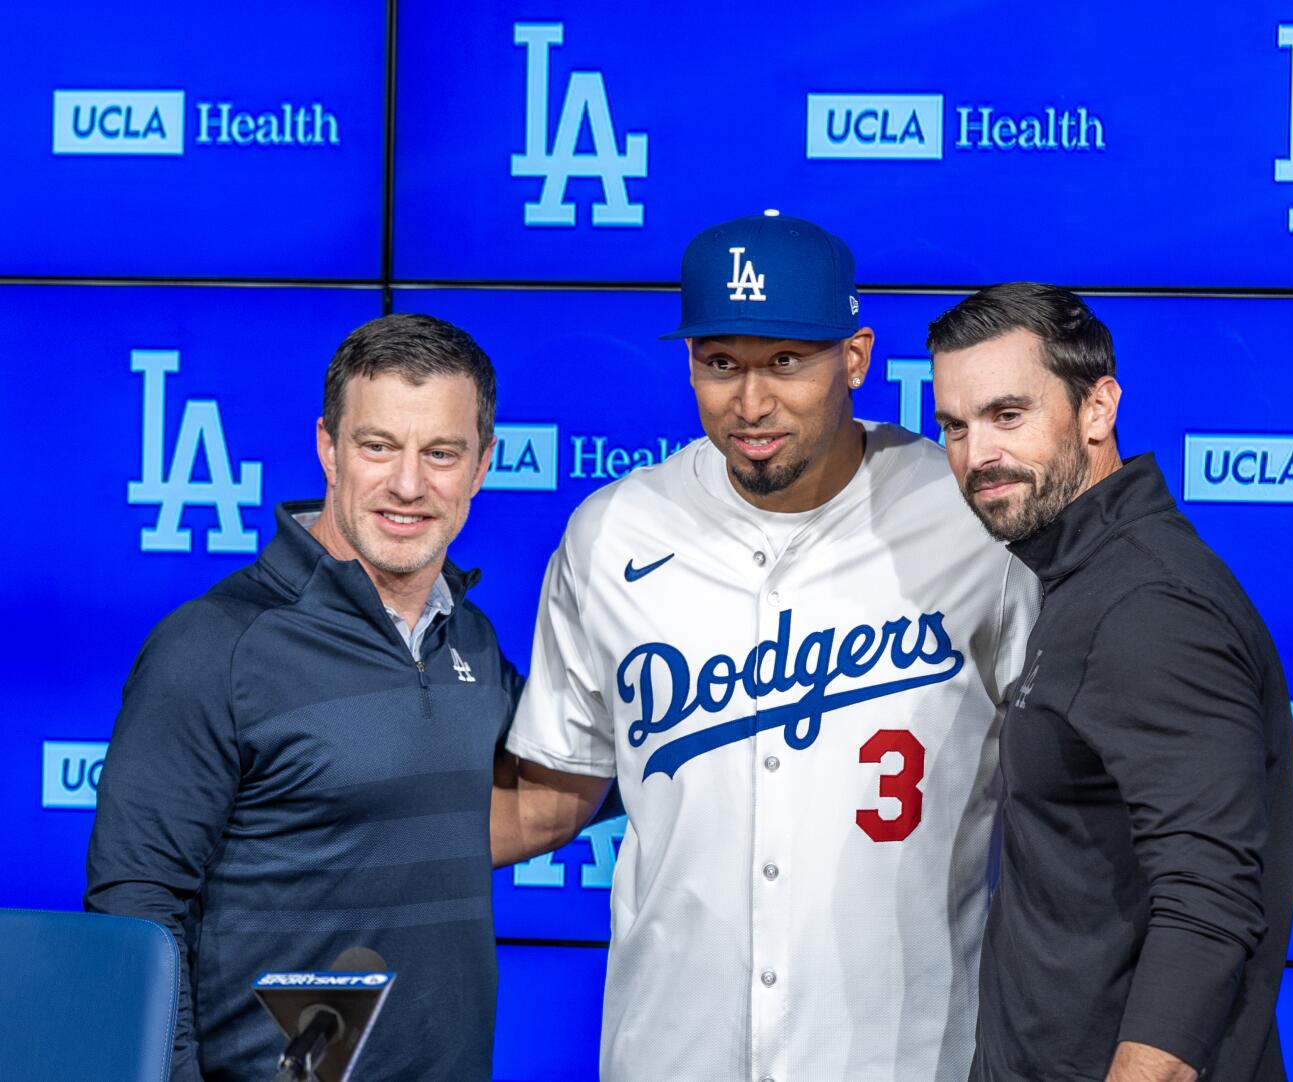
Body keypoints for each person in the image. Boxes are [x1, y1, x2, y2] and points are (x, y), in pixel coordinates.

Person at [490, 212, 1039, 1080]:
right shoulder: (613, 532)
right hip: (672, 1054)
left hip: (908, 1056)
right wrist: (321, 849)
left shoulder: (972, 521)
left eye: (785, 361)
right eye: (722, 364)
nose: (750, 403)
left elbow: (1074, 789)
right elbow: (551, 796)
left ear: (854, 357)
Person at [86, 313, 523, 1082]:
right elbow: (137, 912)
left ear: (482, 464)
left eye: (441, 453)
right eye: (378, 446)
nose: (409, 485)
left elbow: (574, 773)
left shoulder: (473, 640)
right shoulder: (214, 646)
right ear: (329, 448)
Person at [927, 282, 1293, 1082]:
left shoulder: (1147, 607)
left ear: (1097, 408)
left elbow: (1208, 908)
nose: (976, 455)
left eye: (1007, 415)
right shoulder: (1082, 578)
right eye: (954, 426)